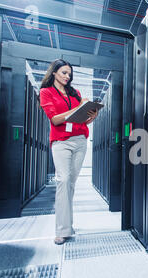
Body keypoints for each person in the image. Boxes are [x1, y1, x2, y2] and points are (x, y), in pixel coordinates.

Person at [39, 59, 98, 245]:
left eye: (69, 74)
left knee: (70, 184)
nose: (67, 76)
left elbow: (81, 120)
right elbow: (55, 119)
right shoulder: (46, 92)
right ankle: (62, 230)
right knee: (63, 181)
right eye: (64, 72)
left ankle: (67, 224)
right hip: (61, 142)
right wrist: (76, 109)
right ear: (54, 72)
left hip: (80, 140)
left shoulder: (75, 93)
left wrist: (91, 116)